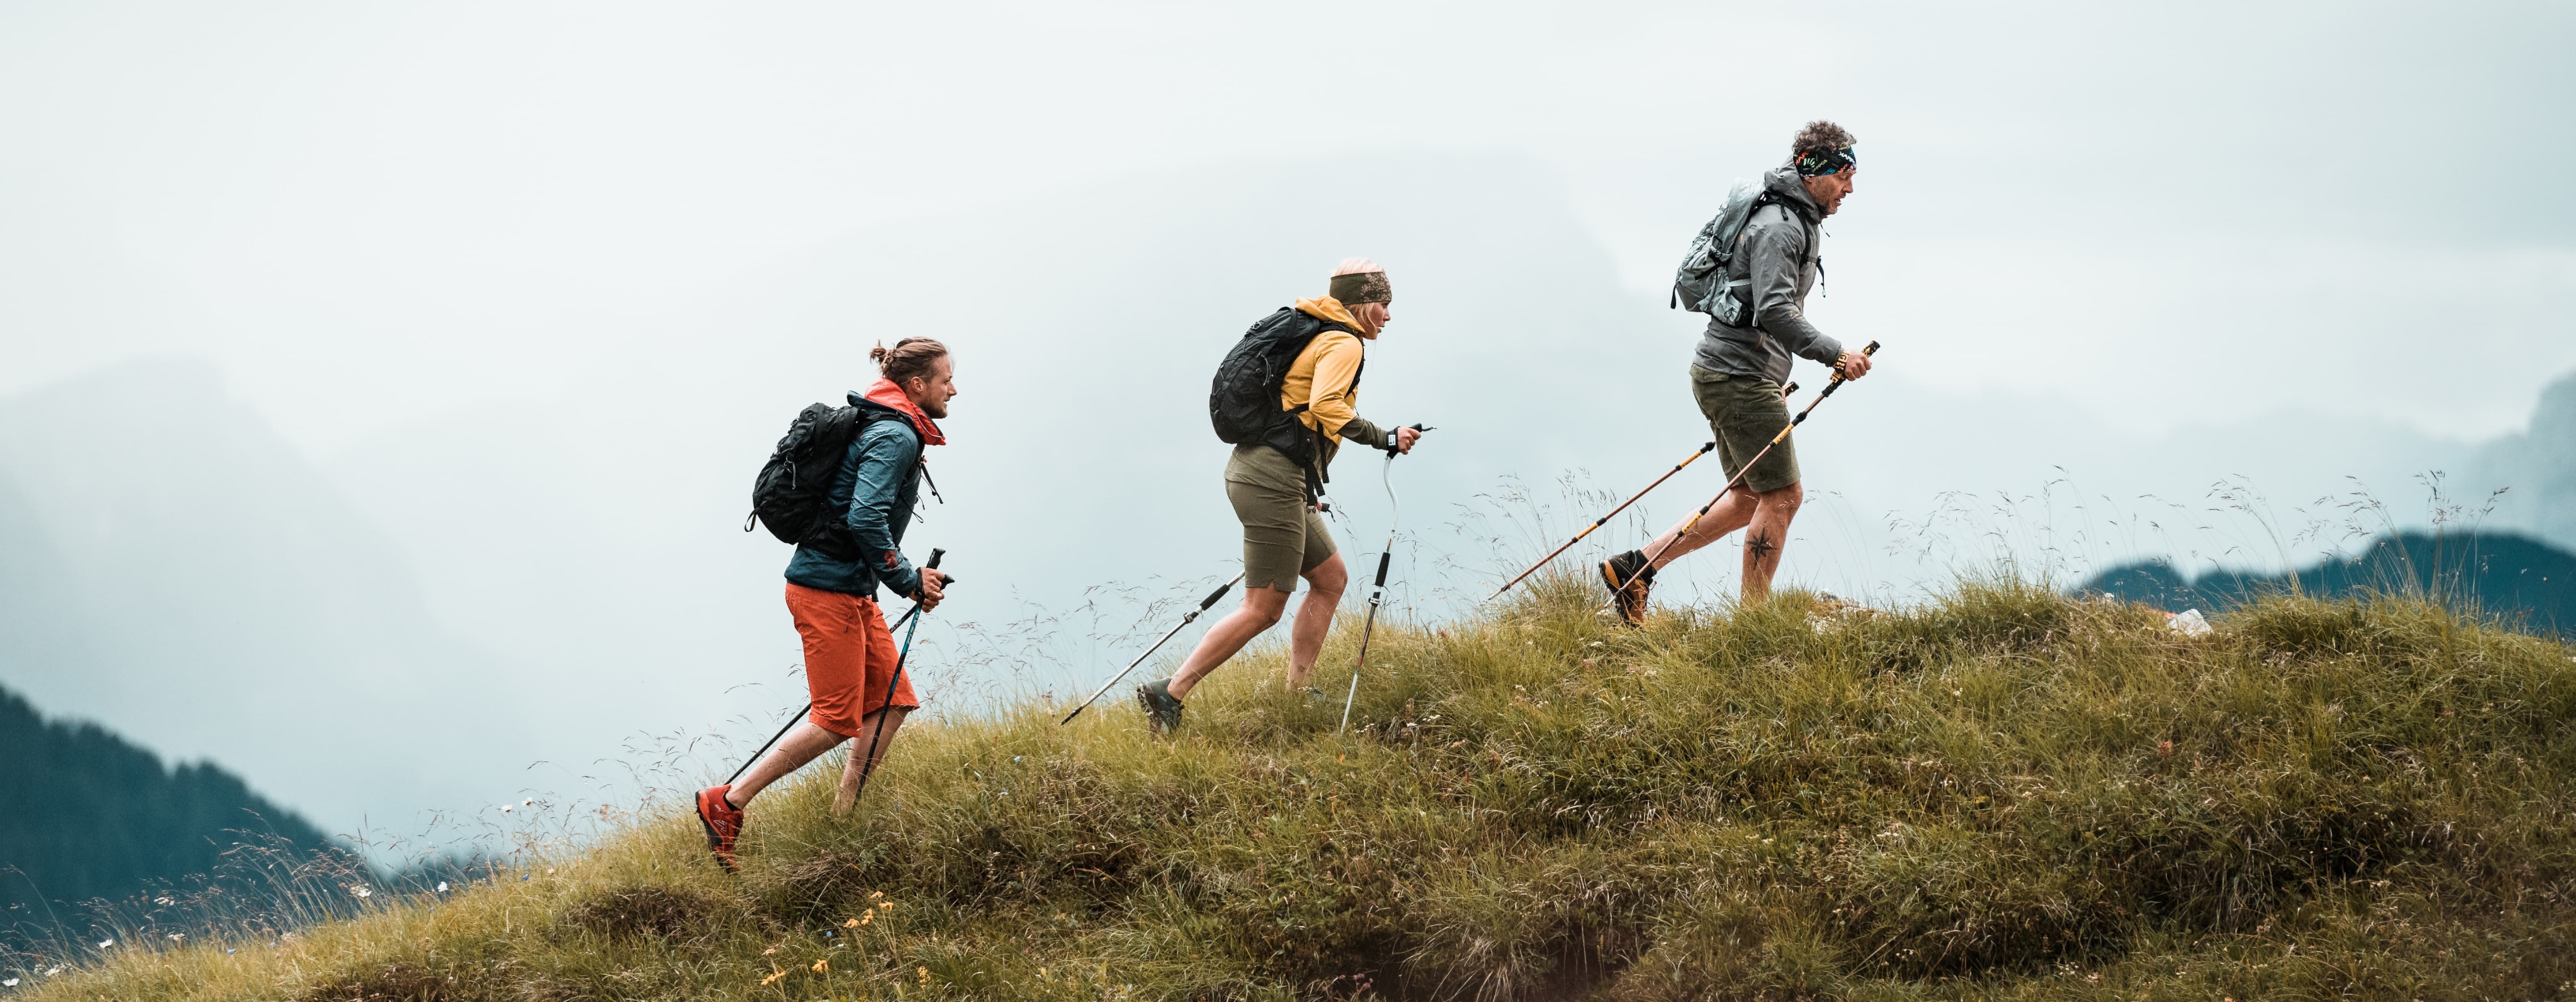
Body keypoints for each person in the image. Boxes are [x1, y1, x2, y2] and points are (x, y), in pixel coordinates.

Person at [695, 338, 956, 871]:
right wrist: (909, 580)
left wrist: (903, 577)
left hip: (851, 589)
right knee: (837, 719)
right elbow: (865, 517)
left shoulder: (887, 422)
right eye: (946, 379)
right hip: (825, 592)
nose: (954, 389)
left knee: (893, 700)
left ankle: (843, 817)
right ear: (917, 385)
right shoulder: (896, 435)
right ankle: (727, 802)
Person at [1601, 121, 1873, 624]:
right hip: (1738, 376)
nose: (1850, 188)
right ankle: (1754, 623)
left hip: (1732, 373)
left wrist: (1772, 378)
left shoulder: (1794, 216)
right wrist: (1836, 354)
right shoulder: (1781, 226)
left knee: (1750, 498)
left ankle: (1635, 568)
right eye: (1844, 176)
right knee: (1783, 496)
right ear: (1814, 172)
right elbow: (1775, 310)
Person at [1135, 259, 1423, 733]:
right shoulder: (1344, 342)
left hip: (1271, 474)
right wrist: (1385, 437)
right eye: (1383, 304)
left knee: (1330, 578)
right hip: (1270, 480)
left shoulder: (1321, 331)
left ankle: (1298, 693)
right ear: (1362, 303)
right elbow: (1326, 406)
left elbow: (1301, 411)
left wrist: (1306, 486)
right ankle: (1170, 693)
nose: (1389, 315)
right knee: (1263, 607)